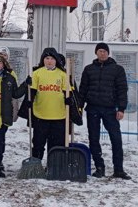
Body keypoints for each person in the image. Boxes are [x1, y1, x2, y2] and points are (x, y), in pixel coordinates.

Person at [78, 42, 131, 180]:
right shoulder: (89, 69)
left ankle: (118, 169)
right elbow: (83, 89)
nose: (103, 53)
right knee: (93, 139)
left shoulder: (117, 69)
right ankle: (99, 167)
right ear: (96, 52)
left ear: (108, 53)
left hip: (110, 109)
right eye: (100, 51)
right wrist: (79, 106)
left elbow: (122, 89)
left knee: (116, 139)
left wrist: (121, 108)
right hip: (93, 108)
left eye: (105, 51)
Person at [28, 47, 73, 164]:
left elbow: (68, 92)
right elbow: (32, 91)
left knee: (56, 144)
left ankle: (54, 165)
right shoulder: (37, 73)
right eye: (47, 58)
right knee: (38, 143)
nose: (49, 61)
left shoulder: (62, 75)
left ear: (56, 60)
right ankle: (36, 165)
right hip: (41, 115)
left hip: (58, 116)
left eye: (52, 58)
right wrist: (29, 101)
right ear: (43, 59)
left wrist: (69, 101)